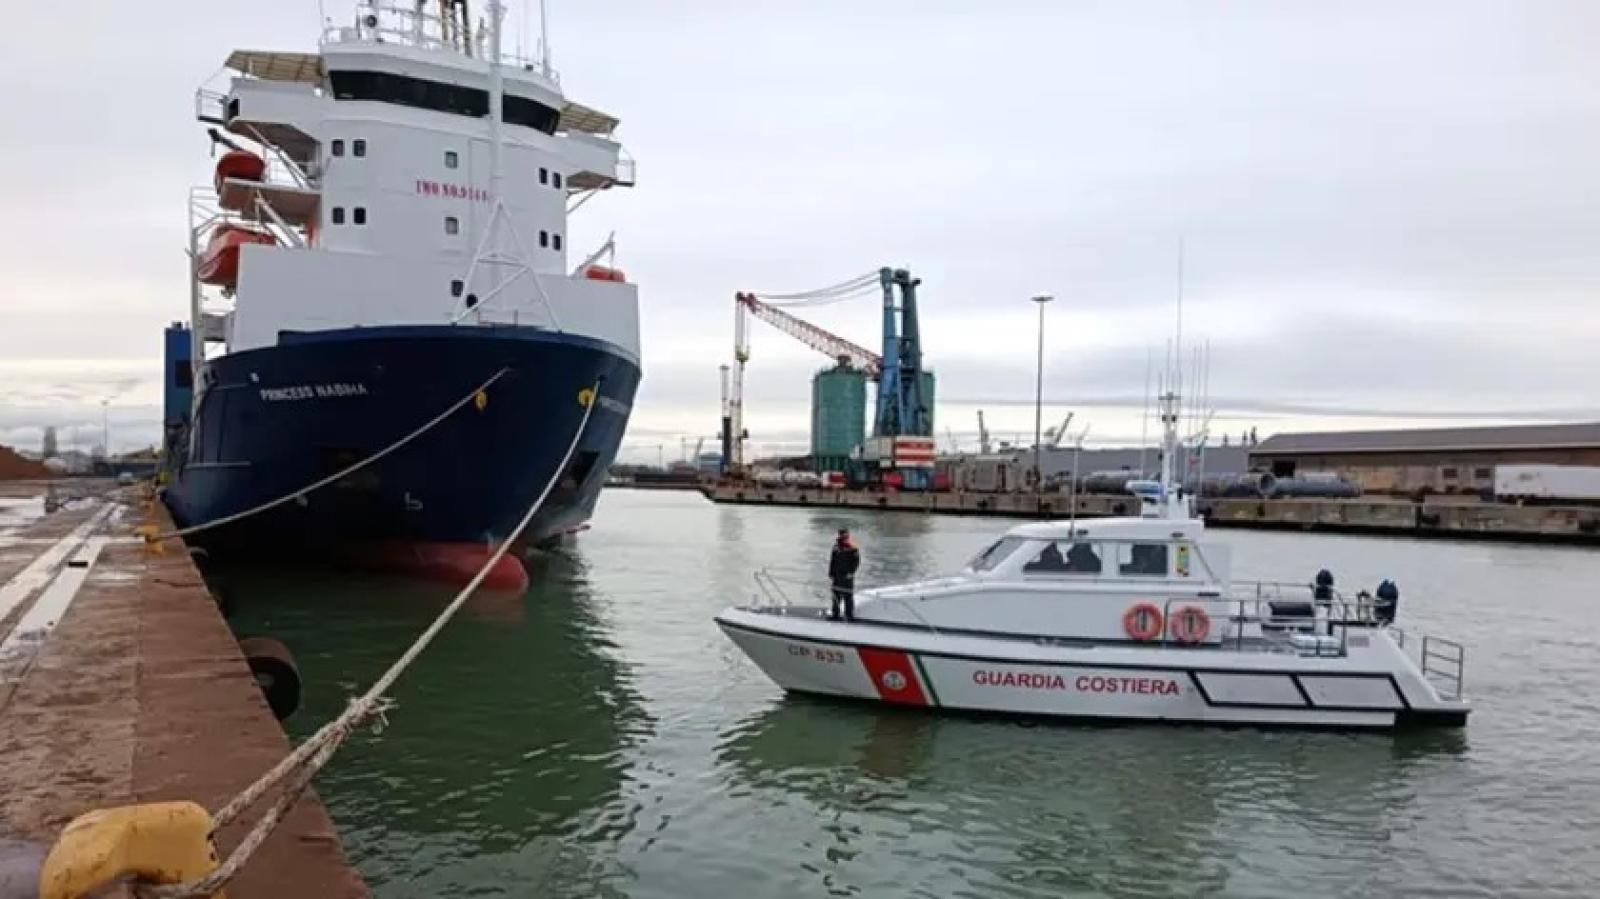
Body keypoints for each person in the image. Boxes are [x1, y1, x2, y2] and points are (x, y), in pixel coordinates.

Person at [828, 527, 860, 621]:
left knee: (848, 596)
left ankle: (849, 615)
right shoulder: (836, 547)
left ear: (848, 534)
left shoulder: (853, 547)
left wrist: (851, 572)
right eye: (841, 534)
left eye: (845, 534)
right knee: (835, 595)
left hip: (847, 576)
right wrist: (831, 573)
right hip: (837, 576)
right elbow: (832, 561)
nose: (843, 535)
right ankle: (835, 614)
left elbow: (856, 562)